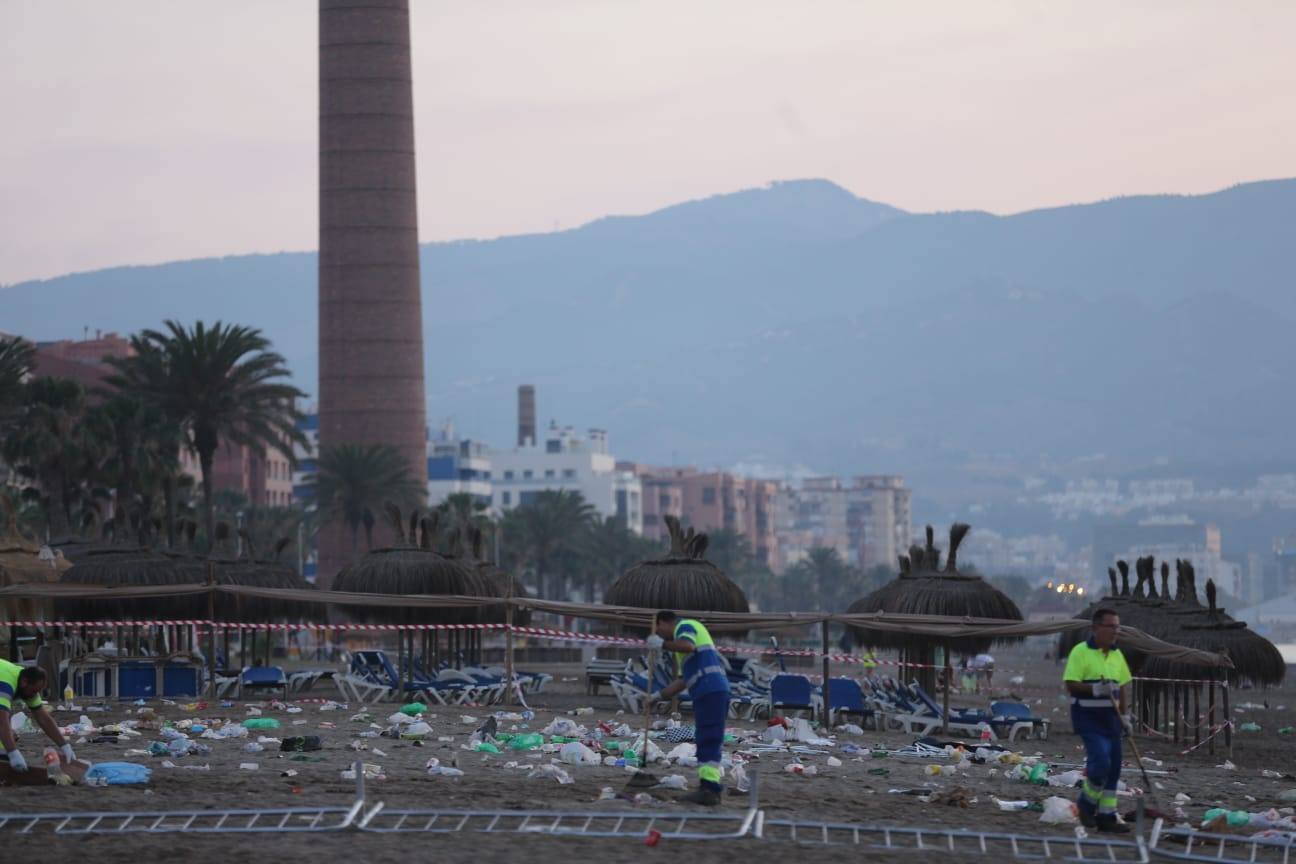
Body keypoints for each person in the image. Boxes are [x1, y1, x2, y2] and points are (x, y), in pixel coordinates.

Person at [647, 610, 730, 806]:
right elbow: (683, 681)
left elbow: (688, 646)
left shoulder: (685, 627)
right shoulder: (680, 643)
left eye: (659, 629)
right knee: (705, 738)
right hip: (707, 691)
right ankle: (708, 786)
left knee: (709, 738)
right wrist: (657, 696)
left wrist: (662, 645)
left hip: (711, 690)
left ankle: (710, 789)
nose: (659, 634)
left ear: (665, 622)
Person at [1063, 608, 1132, 833]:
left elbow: (1122, 688)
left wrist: (1125, 716)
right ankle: (1085, 805)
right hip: (1088, 718)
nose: (1115, 631)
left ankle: (1106, 817)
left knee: (1114, 769)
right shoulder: (1080, 652)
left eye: (1117, 626)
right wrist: (1094, 688)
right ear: (1095, 628)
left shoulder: (1117, 654)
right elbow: (1071, 684)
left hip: (1112, 720)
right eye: (1110, 626)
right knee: (1101, 762)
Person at [1, 659, 75, 774]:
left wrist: (64, 745)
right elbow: (1, 721)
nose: (35, 695)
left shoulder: (26, 683)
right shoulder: (5, 684)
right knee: (4, 715)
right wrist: (13, 753)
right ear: (25, 682)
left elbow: (43, 719)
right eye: (34, 691)